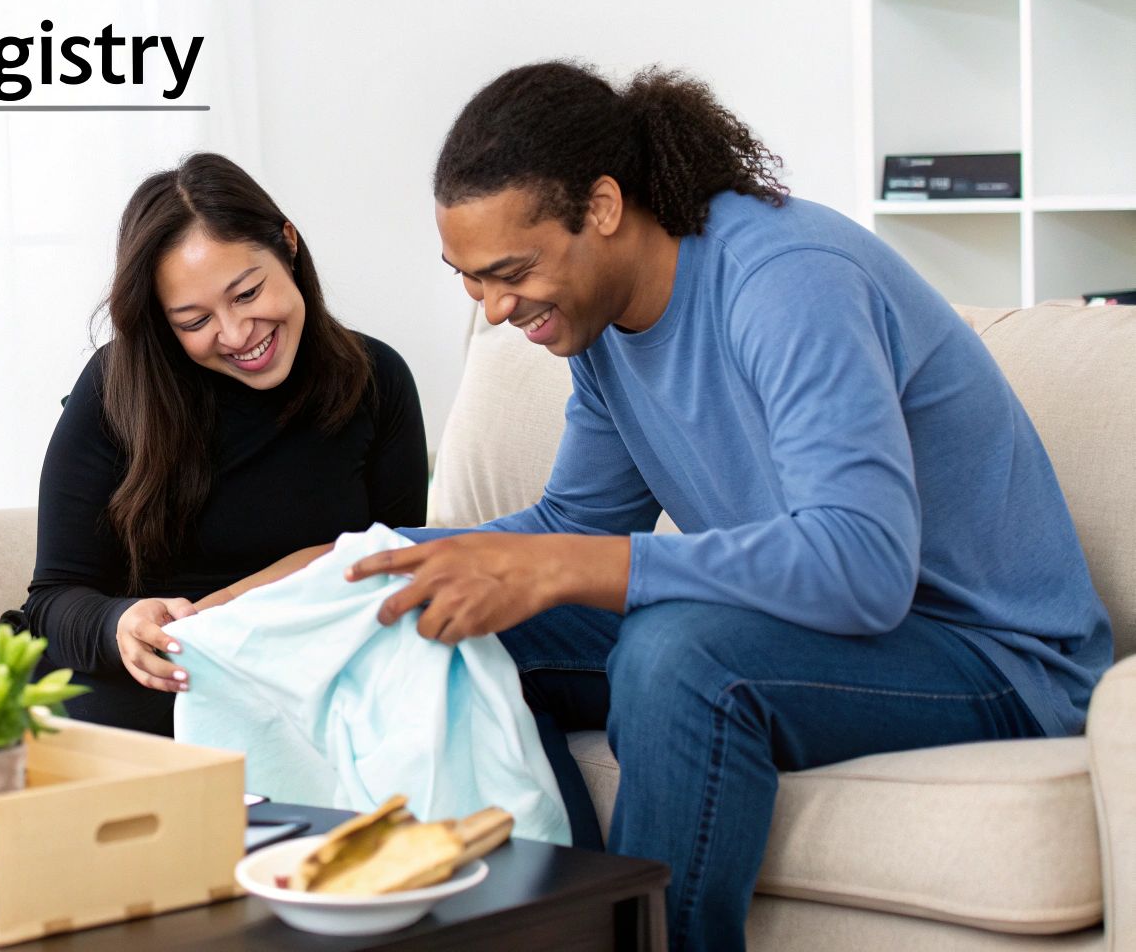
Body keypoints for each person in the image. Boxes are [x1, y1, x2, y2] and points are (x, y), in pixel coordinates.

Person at [333, 62, 1112, 951]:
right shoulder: (603, 326)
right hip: (819, 631)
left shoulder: (784, 280)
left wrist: (567, 570)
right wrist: (357, 561)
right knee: (427, 612)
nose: (497, 307)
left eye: (512, 270)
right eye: (470, 279)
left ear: (602, 207)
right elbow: (567, 529)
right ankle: (567, 926)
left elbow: (862, 566)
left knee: (679, 656)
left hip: (991, 654)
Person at [2, 152, 429, 737]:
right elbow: (51, 601)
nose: (235, 335)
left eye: (248, 294)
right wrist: (121, 624)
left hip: (311, 674)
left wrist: (233, 604)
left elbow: (396, 568)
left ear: (288, 243)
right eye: (194, 321)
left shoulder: (376, 379)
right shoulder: (117, 386)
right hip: (157, 679)